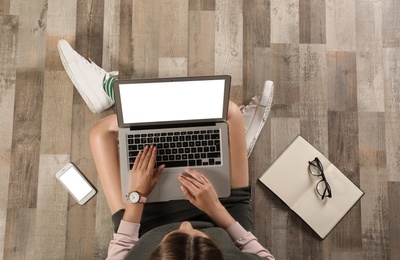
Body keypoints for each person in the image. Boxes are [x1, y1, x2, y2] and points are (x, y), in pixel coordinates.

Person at [58, 39, 275, 259]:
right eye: (199, 235)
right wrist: (215, 209)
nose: (186, 224)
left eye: (176, 233)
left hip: (146, 221)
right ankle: (224, 143)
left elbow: (123, 243)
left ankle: (114, 93)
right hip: (222, 212)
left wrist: (136, 196)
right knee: (229, 112)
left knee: (101, 133)